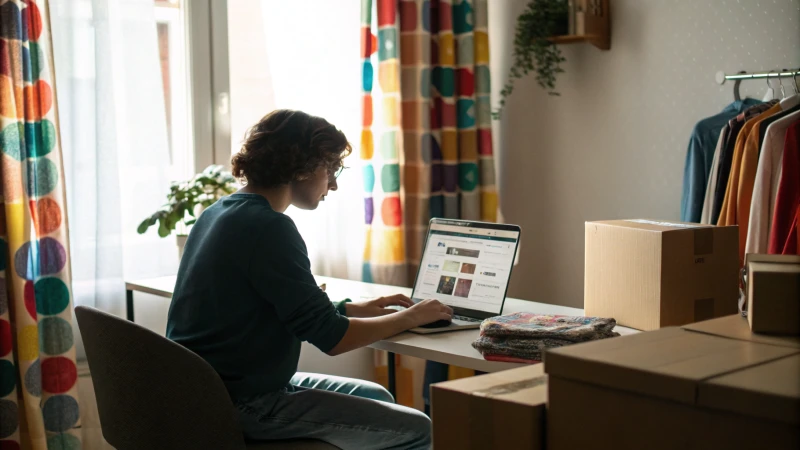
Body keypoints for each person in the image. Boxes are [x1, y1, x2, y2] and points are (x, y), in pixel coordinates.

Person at [166, 109, 453, 449]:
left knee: (376, 394)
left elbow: (282, 304)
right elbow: (333, 339)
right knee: (420, 428)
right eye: (330, 169)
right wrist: (413, 316)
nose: (333, 183)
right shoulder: (270, 228)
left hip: (209, 392)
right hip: (244, 402)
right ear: (301, 167)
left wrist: (355, 308)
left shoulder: (219, 212)